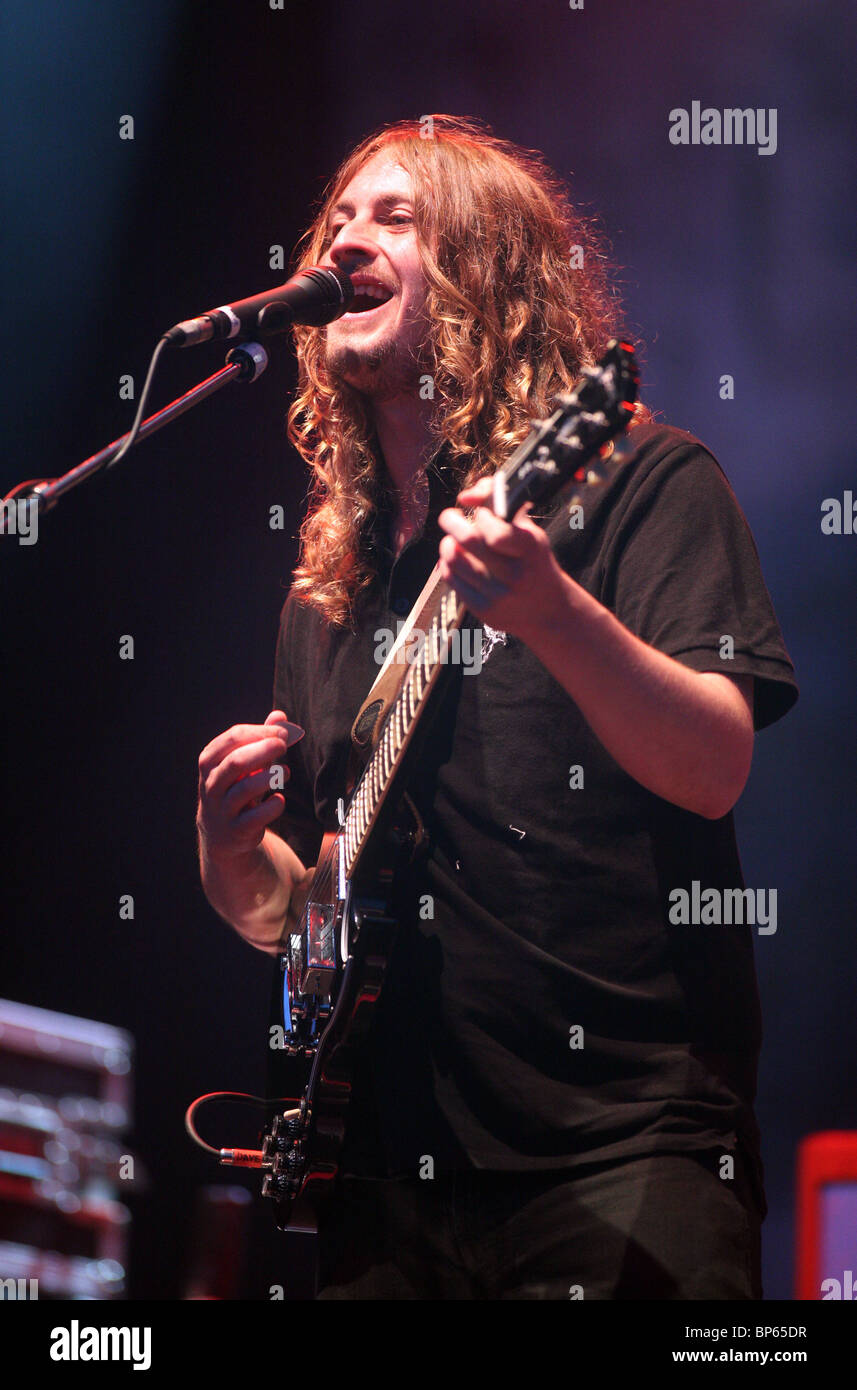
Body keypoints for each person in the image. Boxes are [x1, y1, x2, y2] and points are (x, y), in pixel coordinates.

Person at [196, 116, 798, 1300]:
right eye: (337, 221)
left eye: (395, 218)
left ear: (488, 273)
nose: (347, 240)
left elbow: (714, 762)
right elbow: (305, 909)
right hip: (387, 1183)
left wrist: (553, 612)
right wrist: (226, 851)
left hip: (623, 1155)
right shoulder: (328, 591)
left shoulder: (636, 479)